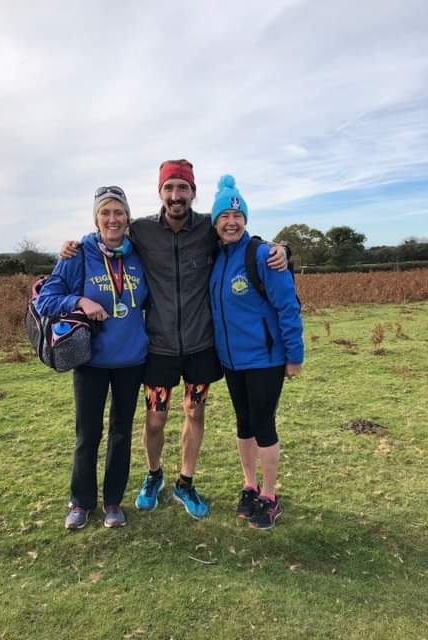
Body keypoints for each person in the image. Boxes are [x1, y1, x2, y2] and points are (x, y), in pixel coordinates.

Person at [60, 160, 288, 520]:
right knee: (154, 420)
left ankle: (186, 481)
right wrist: (75, 245)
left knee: (194, 413)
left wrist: (283, 249)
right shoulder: (142, 231)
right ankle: (154, 476)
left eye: (183, 188)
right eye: (169, 188)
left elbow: (241, 239)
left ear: (193, 192)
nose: (176, 195)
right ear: (160, 192)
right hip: (159, 347)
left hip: (200, 346)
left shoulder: (208, 229)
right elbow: (106, 236)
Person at [36, 186, 149, 529]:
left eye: (119, 212)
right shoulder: (77, 254)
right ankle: (81, 502)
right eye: (106, 212)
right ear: (96, 218)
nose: (112, 219)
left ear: (128, 218)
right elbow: (46, 299)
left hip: (131, 359)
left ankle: (113, 501)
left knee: (121, 432)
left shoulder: (140, 253)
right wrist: (79, 302)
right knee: (88, 434)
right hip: (90, 361)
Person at [209, 175, 303, 529]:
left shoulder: (264, 255)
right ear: (215, 223)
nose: (231, 222)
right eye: (223, 217)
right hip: (232, 361)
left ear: (245, 219)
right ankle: (249, 485)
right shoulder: (216, 259)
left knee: (264, 425)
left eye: (237, 216)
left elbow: (288, 307)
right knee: (243, 424)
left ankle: (269, 495)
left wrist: (294, 356)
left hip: (265, 359)